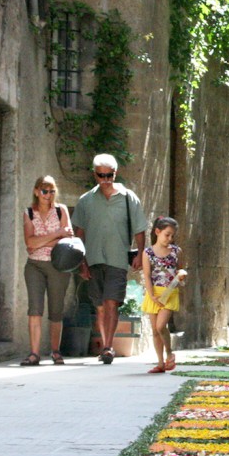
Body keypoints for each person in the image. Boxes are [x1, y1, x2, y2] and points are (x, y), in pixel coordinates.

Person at [72, 154, 146, 364]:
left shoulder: (127, 197)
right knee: (100, 306)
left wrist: (140, 253)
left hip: (117, 258)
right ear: (94, 174)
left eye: (109, 175)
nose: (105, 179)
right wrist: (81, 262)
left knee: (111, 302)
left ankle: (107, 347)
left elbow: (140, 229)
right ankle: (105, 344)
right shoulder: (86, 200)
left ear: (116, 173)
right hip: (93, 257)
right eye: (101, 175)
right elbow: (79, 233)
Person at [21, 176, 74, 366]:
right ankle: (34, 353)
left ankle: (55, 351)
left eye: (52, 191)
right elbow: (29, 242)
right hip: (34, 265)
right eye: (44, 191)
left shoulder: (61, 211)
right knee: (34, 309)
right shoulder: (28, 213)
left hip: (58, 264)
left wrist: (40, 241)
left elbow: (67, 239)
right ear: (36, 191)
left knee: (56, 310)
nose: (48, 195)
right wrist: (56, 234)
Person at [141, 216, 184, 373]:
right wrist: (151, 295)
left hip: (170, 292)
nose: (170, 238)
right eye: (167, 234)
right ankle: (160, 363)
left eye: (172, 235)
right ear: (157, 232)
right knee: (154, 330)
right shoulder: (148, 252)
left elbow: (180, 270)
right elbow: (146, 275)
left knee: (161, 326)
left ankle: (169, 353)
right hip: (154, 293)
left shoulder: (176, 251)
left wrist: (182, 276)